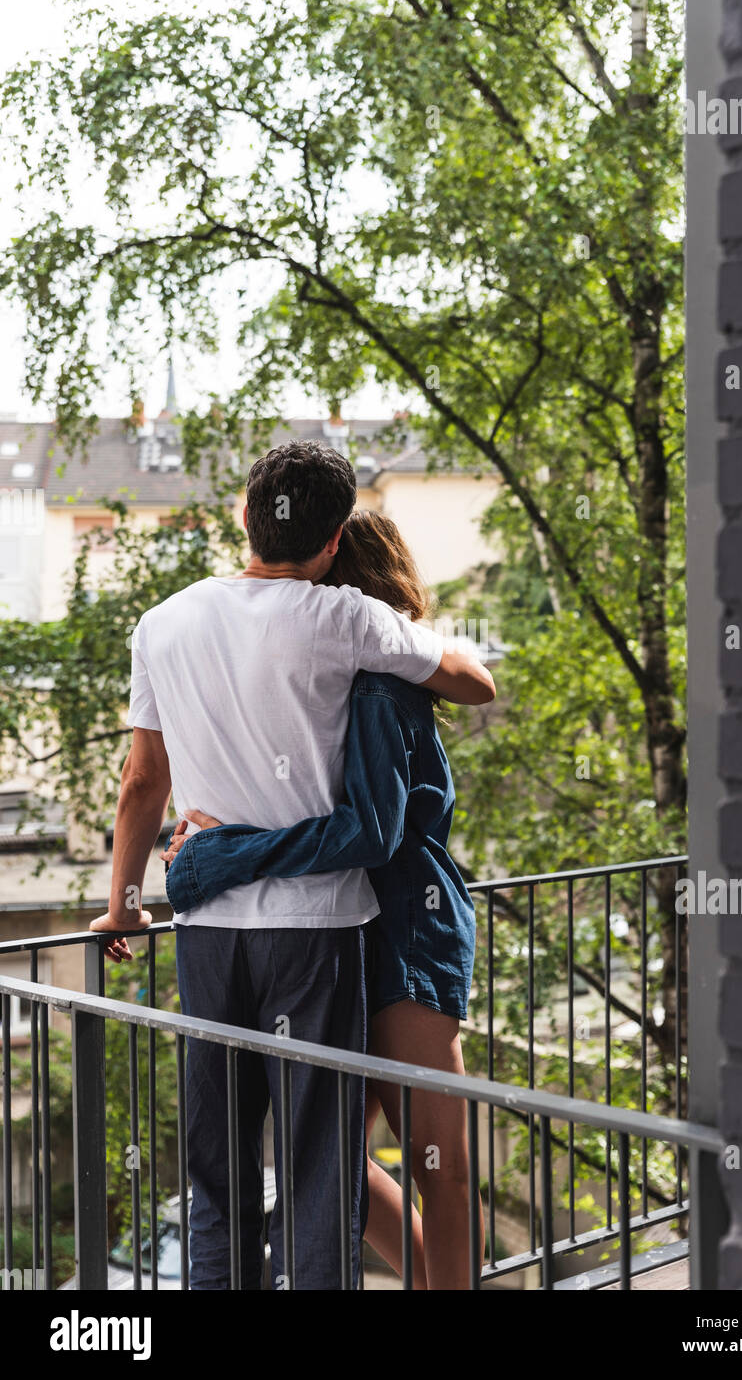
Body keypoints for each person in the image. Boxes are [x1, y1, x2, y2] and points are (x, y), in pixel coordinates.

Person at [89, 446, 495, 1291]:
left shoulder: (181, 624)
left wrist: (141, 895)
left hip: (287, 930)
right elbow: (471, 682)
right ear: (333, 540)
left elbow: (143, 783)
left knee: (247, 1169)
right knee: (322, 1166)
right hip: (320, 931)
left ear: (245, 512)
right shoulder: (335, 628)